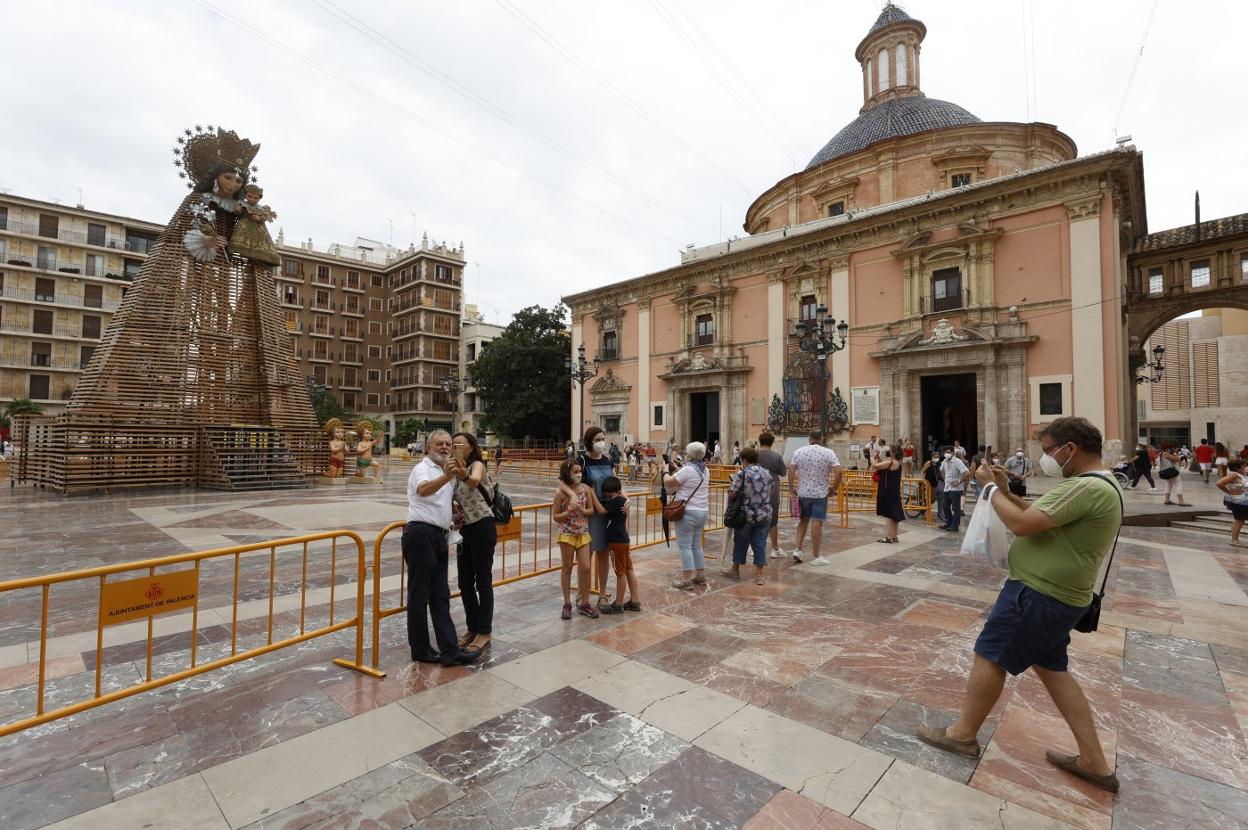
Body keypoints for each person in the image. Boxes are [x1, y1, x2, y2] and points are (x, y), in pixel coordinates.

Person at [917, 416, 1123, 794]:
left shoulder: (1084, 488)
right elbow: (1035, 514)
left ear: (1070, 449)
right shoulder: (1099, 485)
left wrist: (990, 492)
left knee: (990, 655)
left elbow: (1024, 526)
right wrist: (1004, 489)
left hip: (1038, 594)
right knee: (1053, 671)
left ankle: (963, 734)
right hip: (1063, 596)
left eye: (1048, 451)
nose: (1045, 458)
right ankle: (1094, 760)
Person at [404, 431, 478, 667]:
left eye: (449, 444)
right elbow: (423, 490)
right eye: (440, 443)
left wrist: (453, 514)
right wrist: (448, 477)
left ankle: (449, 650)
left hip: (439, 535)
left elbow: (438, 501)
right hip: (420, 534)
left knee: (440, 595)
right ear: (429, 448)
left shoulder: (446, 472)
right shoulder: (423, 468)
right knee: (419, 594)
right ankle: (420, 648)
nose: (446, 447)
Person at [449, 432, 497, 657]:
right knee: (464, 581)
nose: (455, 447)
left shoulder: (476, 465)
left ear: (471, 447)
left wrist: (462, 473)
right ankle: (472, 627)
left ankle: (484, 631)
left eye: (460, 444)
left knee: (483, 580)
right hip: (465, 529)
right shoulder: (453, 473)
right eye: (453, 443)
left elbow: (476, 480)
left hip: (483, 527)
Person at [787, 431, 844, 565]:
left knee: (803, 520)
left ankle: (797, 549)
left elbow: (791, 470)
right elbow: (839, 471)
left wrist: (791, 488)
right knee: (817, 522)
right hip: (820, 493)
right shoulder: (828, 453)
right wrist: (833, 488)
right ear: (821, 438)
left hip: (803, 492)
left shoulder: (799, 452)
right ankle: (816, 556)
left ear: (809, 439)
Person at [553, 458, 600, 618]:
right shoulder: (560, 493)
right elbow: (555, 516)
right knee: (567, 567)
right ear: (568, 473)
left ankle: (585, 602)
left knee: (586, 567)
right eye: (575, 472)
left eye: (580, 471)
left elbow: (591, 510)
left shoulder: (585, 489)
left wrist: (583, 510)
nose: (579, 474)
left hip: (582, 532)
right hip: (566, 533)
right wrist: (568, 512)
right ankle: (567, 603)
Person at [579, 426, 617, 612]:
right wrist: (595, 504)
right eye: (597, 440)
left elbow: (616, 483)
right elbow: (581, 486)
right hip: (589, 513)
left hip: (607, 512)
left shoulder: (608, 459)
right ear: (589, 442)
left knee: (603, 553)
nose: (601, 442)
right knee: (586, 556)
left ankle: (602, 594)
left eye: (602, 438)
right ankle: (582, 592)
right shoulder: (582, 460)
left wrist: (624, 499)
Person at [664, 441, 709, 589]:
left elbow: (670, 482)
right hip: (702, 511)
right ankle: (700, 576)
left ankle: (686, 580)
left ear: (689, 455)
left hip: (688, 512)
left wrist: (665, 471)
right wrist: (678, 468)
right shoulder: (705, 470)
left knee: (685, 547)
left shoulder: (688, 470)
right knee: (696, 545)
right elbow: (688, 474)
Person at [727, 447, 772, 585]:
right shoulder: (766, 472)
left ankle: (735, 570)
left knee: (740, 542)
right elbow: (771, 490)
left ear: (744, 460)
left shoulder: (742, 474)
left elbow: (733, 493)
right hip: (765, 514)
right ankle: (759, 575)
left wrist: (730, 491)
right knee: (760, 543)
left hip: (746, 514)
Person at [597, 476, 641, 613]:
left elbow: (601, 511)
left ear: (618, 492)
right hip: (624, 540)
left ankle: (618, 603)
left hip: (616, 542)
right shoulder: (622, 500)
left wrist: (591, 495)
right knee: (629, 569)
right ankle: (635, 600)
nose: (608, 497)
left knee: (620, 572)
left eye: (610, 495)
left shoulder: (616, 501)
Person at [756, 432, 788, 560]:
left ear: (759, 441)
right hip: (772, 490)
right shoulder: (777, 456)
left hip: (756, 489)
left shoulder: (754, 455)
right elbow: (783, 472)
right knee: (773, 520)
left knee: (756, 518)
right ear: (772, 442)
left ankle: (754, 547)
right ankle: (775, 548)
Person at [873, 443, 904, 543]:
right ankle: (894, 536)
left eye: (891, 451)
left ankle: (889, 537)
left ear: (894, 453)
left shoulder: (890, 462)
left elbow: (875, 466)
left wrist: (871, 458)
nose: (889, 452)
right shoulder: (897, 463)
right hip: (894, 490)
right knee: (894, 514)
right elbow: (883, 465)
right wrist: (878, 457)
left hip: (887, 490)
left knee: (888, 514)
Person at [1217, 459, 1248, 547]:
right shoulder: (1234, 475)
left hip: (1245, 502)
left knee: (1240, 520)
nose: (1246, 466)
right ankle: (1234, 540)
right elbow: (1219, 483)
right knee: (1239, 520)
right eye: (1244, 465)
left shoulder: (1243, 474)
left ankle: (1235, 540)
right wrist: (1230, 492)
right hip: (1240, 502)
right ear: (1238, 467)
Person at [939, 448, 970, 531]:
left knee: (956, 508)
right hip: (947, 487)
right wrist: (945, 478)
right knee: (945, 506)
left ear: (952, 453)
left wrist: (959, 481)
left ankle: (955, 525)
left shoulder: (957, 461)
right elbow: (941, 470)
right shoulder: (945, 461)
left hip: (956, 489)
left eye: (948, 452)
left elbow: (967, 472)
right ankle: (949, 522)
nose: (946, 454)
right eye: (945, 452)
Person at [921, 451, 944, 523]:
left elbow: (941, 473)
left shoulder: (939, 464)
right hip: (928, 483)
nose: (936, 458)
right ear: (932, 457)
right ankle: (923, 509)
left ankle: (940, 513)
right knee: (933, 498)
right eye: (935, 457)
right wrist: (921, 481)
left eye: (938, 457)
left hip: (936, 483)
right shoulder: (928, 463)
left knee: (941, 497)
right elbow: (923, 471)